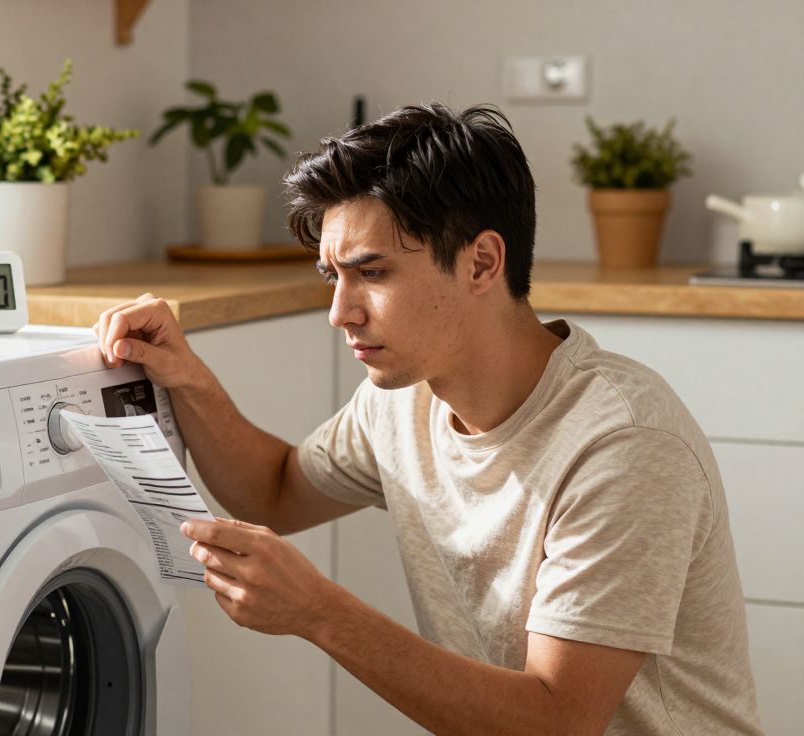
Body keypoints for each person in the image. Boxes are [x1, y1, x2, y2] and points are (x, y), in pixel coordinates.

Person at [94, 103, 762, 735]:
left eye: (372, 273)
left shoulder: (622, 443)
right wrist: (189, 377)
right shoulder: (401, 397)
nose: (341, 312)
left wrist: (319, 612)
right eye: (334, 277)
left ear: (482, 263)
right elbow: (272, 490)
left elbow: (556, 722)